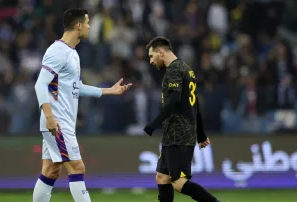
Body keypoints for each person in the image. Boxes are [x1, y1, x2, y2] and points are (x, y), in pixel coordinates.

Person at [33, 8, 132, 202]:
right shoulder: (57, 51)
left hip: (60, 121)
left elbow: (75, 87)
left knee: (51, 171)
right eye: (87, 23)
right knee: (77, 168)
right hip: (57, 122)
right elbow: (40, 84)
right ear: (78, 26)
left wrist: (108, 91)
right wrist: (50, 116)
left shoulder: (72, 53)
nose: (88, 27)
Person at [143, 36, 220, 202]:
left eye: (151, 56)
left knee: (179, 183)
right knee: (162, 178)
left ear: (161, 52)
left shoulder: (174, 70)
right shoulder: (187, 69)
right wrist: (201, 134)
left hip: (179, 134)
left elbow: (174, 100)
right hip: (175, 133)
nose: (150, 61)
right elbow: (195, 104)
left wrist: (153, 124)